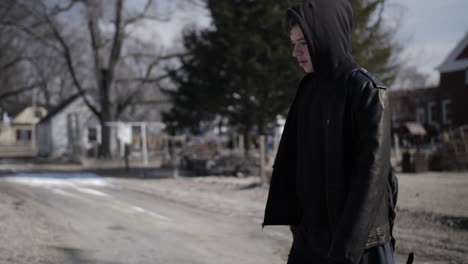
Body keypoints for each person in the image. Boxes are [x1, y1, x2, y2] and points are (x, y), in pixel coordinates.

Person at [262, 1, 398, 264]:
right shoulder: (308, 90)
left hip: (359, 247)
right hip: (310, 242)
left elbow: (371, 179)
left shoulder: (367, 91)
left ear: (324, 35)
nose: (295, 52)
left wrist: (345, 253)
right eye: (293, 43)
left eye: (303, 42)